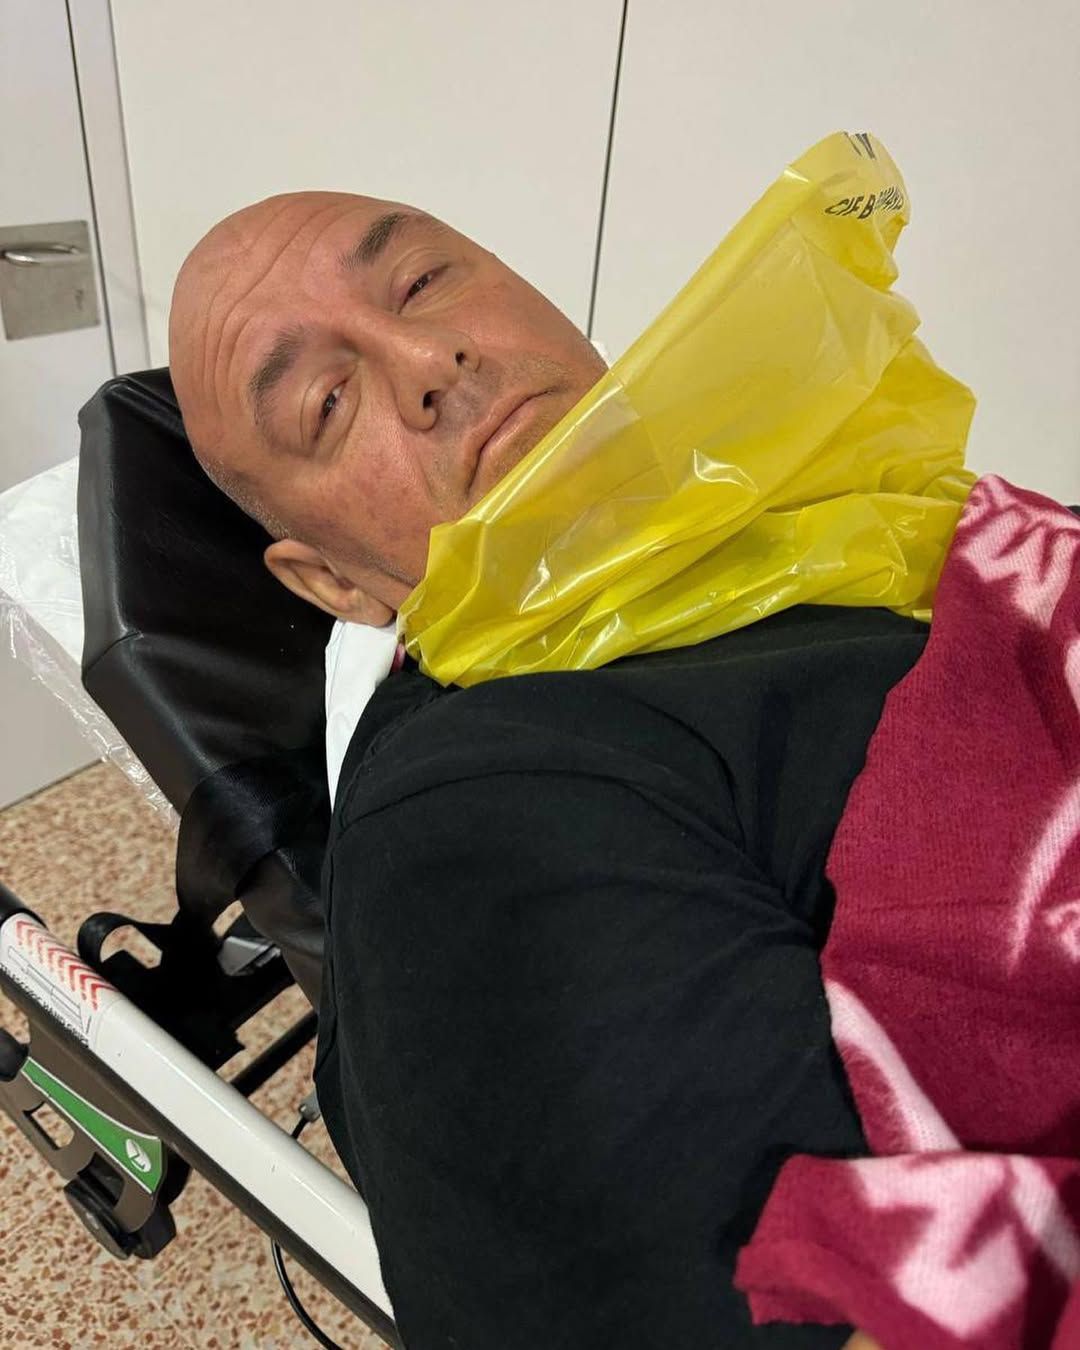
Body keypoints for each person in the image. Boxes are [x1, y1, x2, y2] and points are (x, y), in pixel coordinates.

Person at [170, 191, 896, 1350]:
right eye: (327, 402)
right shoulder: (473, 820)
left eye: (421, 282)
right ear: (335, 586)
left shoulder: (826, 512)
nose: (429, 361)